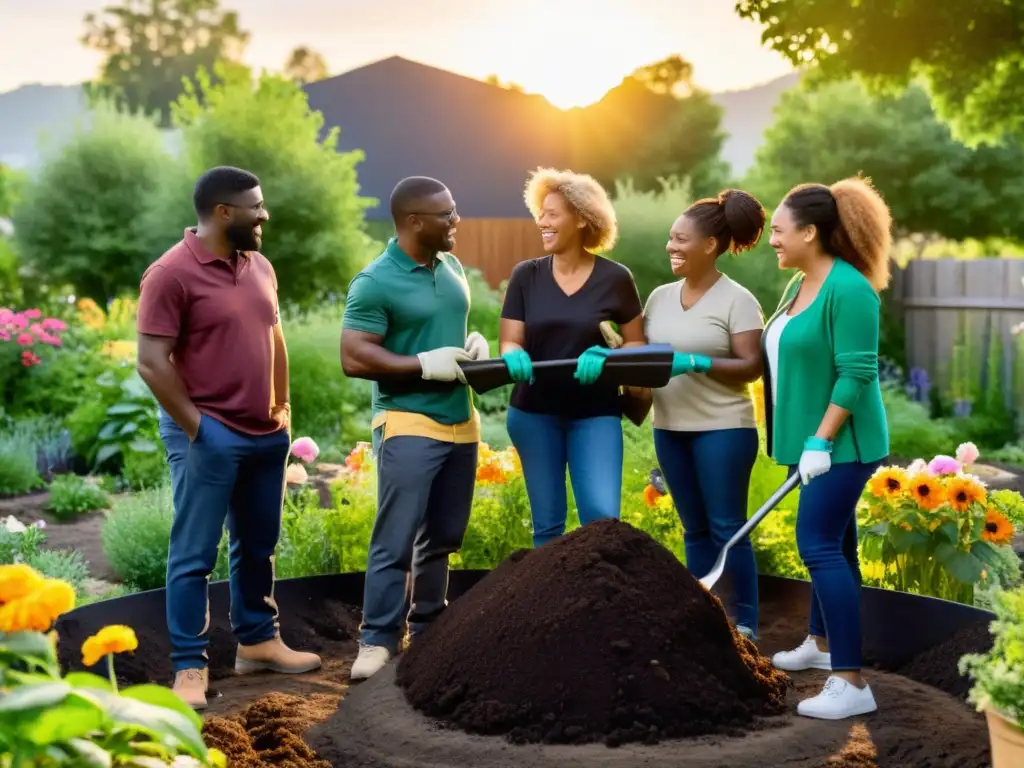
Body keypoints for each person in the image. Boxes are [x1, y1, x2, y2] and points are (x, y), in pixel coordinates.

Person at [136, 166, 321, 710]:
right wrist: (200, 428)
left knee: (258, 545)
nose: (264, 215)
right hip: (208, 435)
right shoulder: (170, 274)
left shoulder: (259, 265)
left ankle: (258, 642)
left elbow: (275, 336)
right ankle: (189, 666)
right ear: (223, 212)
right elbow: (150, 362)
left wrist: (283, 408)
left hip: (266, 434)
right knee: (194, 553)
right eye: (255, 206)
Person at [340, 176, 489, 681]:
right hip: (407, 419)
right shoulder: (376, 280)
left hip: (460, 420)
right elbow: (354, 356)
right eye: (446, 214)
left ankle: (429, 629)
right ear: (413, 221)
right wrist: (424, 363)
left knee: (444, 535)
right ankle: (378, 639)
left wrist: (470, 346)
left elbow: (442, 327)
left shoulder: (450, 268)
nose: (456, 220)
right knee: (396, 537)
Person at [762, 177, 892, 720]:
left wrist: (822, 439)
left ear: (810, 232)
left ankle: (851, 681)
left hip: (842, 445)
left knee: (816, 544)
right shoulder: (798, 285)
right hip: (808, 442)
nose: (773, 238)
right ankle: (820, 644)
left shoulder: (850, 288)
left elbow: (856, 372)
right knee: (836, 547)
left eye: (779, 229)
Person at [641, 189, 767, 640]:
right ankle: (706, 617)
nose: (671, 247)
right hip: (670, 428)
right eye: (670, 239)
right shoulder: (658, 297)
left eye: (681, 239)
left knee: (727, 527)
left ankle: (744, 622)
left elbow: (752, 366)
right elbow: (643, 355)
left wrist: (695, 362)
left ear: (710, 245)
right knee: (694, 529)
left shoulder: (738, 300)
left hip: (723, 430)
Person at [499, 168, 645, 548]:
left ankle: (602, 605)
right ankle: (553, 609)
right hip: (534, 414)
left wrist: (609, 357)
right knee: (547, 526)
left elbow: (637, 347)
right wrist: (513, 357)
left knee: (601, 520)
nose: (542, 222)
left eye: (552, 214)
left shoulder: (616, 278)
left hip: (595, 414)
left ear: (582, 218)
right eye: (541, 213)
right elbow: (510, 341)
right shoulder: (525, 276)